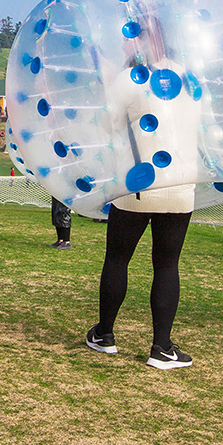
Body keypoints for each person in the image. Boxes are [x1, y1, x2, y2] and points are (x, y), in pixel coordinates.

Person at [86, 45, 199, 370]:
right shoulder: (189, 80)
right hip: (180, 184)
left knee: (118, 258)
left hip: (136, 185)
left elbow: (107, 124)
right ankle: (161, 347)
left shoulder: (129, 79)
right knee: (167, 264)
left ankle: (104, 334)